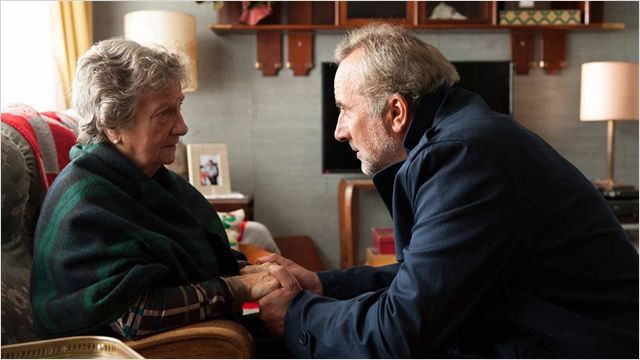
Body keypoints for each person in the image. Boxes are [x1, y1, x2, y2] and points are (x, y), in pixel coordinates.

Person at [257, 23, 639, 358]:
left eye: (345, 110)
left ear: (396, 112)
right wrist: (324, 285)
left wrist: (296, 314)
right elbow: (433, 277)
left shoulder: (460, 156)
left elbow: (400, 334)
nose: (340, 130)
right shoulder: (467, 133)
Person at [30, 38, 281, 339]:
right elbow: (135, 314)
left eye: (179, 108)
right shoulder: (86, 203)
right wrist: (240, 287)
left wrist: (257, 271)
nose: (182, 127)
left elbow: (193, 262)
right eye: (165, 113)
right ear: (113, 124)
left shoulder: (151, 179)